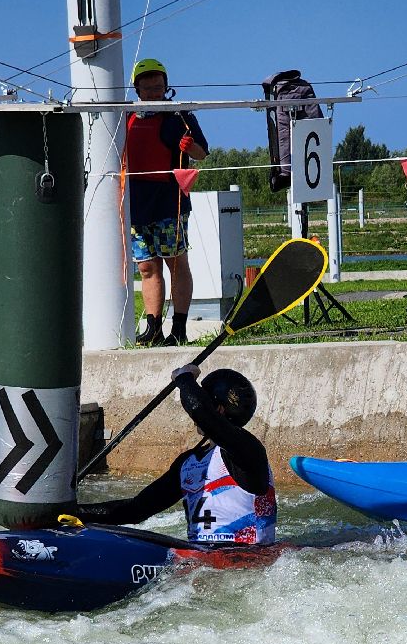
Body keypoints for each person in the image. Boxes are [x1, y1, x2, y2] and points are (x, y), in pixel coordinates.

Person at [76, 366, 276, 544]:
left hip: (249, 562)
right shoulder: (188, 463)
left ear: (219, 409)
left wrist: (185, 378)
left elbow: (199, 410)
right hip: (203, 563)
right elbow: (136, 510)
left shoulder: (249, 452)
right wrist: (72, 512)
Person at [125, 58, 209, 347]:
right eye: (147, 88)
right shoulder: (125, 115)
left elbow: (201, 154)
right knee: (147, 268)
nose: (153, 93)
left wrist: (190, 147)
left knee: (176, 263)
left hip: (168, 203)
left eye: (158, 87)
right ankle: (153, 327)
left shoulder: (180, 115)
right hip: (136, 205)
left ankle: (180, 327)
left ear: (166, 86)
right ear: (136, 88)